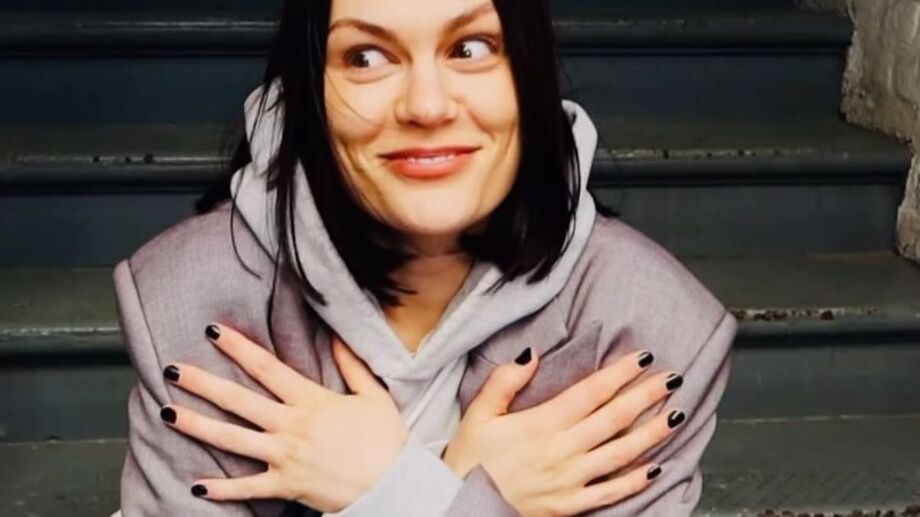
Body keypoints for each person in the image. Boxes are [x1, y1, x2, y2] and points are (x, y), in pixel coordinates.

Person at [110, 0, 739, 515]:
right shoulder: (201, 295)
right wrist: (445, 496)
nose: (427, 107)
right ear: (309, 90)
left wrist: (390, 491)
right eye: (366, 57)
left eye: (471, 48)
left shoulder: (644, 324)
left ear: (528, 75)